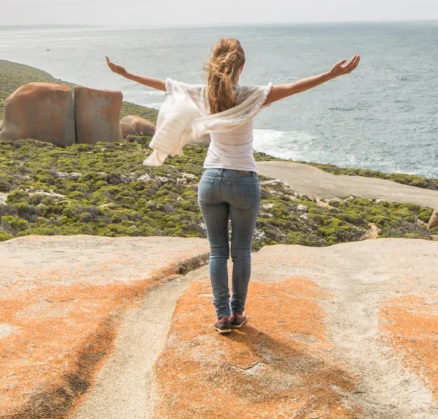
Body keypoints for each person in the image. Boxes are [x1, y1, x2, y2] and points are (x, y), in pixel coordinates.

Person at [105, 39, 361, 334]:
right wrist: (332, 74)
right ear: (241, 66)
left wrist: (125, 74)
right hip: (243, 180)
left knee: (217, 252)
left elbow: (165, 86)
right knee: (240, 253)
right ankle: (238, 312)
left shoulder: (203, 94)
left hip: (211, 180)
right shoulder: (253, 96)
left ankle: (222, 316)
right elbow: (295, 87)